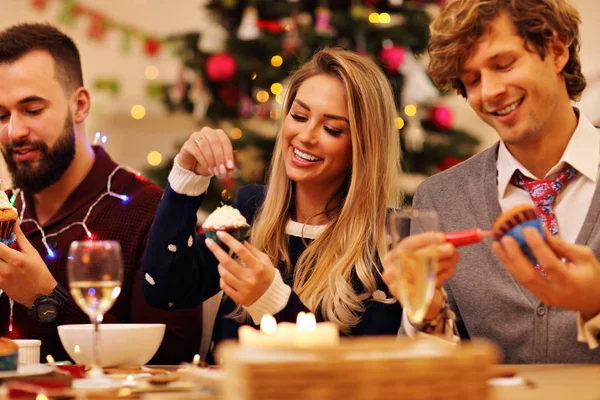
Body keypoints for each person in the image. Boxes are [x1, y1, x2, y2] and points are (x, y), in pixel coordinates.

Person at [142, 48, 412, 361]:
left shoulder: (388, 242)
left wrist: (272, 300)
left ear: (363, 148)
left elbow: (359, 373)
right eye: (299, 116)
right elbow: (163, 289)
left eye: (332, 129)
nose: (306, 135)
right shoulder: (250, 211)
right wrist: (185, 181)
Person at [386, 0, 600, 363]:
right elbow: (427, 371)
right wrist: (427, 312)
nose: (489, 92)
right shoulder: (440, 198)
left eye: (504, 65)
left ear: (558, 50)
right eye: (472, 80)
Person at [0, 22, 202, 363]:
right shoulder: (7, 213)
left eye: (32, 110)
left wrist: (44, 299)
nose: (14, 131)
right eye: (1, 115)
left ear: (79, 105)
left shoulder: (150, 213)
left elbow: (171, 360)